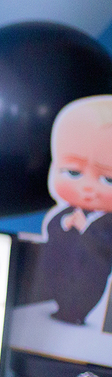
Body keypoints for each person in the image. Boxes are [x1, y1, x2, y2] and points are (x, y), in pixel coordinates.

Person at [35, 95, 112, 325]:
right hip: (60, 274)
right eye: (74, 173)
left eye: (108, 179)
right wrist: (64, 224)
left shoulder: (106, 223)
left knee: (86, 286)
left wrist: (85, 228)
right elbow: (51, 227)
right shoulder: (65, 211)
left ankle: (77, 311)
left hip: (89, 278)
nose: (88, 187)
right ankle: (61, 306)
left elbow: (106, 247)